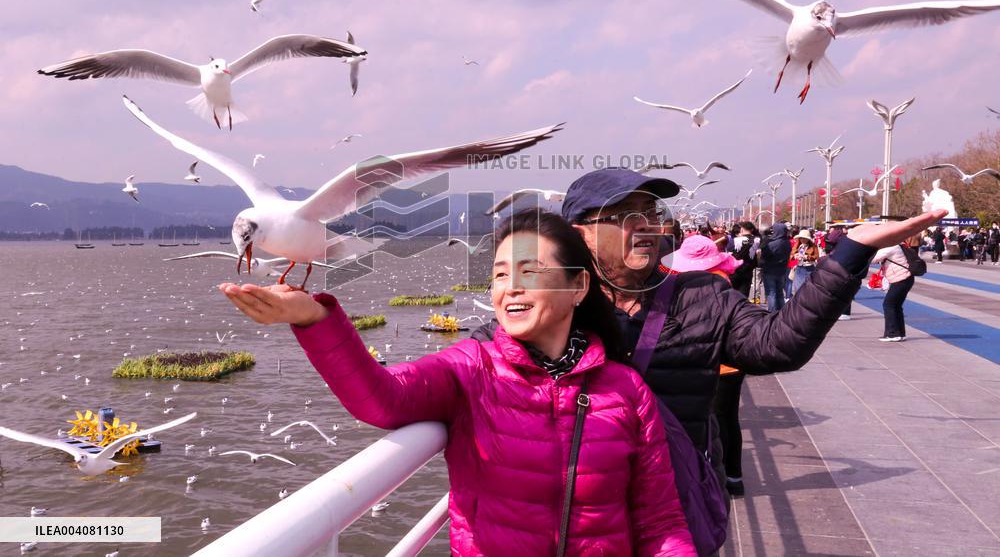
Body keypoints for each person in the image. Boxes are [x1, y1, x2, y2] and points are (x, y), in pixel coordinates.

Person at [221, 209, 697, 556]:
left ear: (578, 287)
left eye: (530, 272)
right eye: (500, 275)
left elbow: (660, 523)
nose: (510, 287)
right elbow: (381, 399)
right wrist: (314, 317)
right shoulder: (471, 369)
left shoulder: (625, 390)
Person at [471, 168, 945, 484]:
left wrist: (850, 253)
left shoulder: (700, 294)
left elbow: (778, 345)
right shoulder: (551, 304)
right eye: (628, 216)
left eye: (652, 214)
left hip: (677, 505)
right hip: (585, 512)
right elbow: (473, 364)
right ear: (580, 233)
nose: (648, 226)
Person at [666, 235, 749, 499]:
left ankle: (717, 478)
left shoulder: (700, 285)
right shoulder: (723, 279)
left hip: (713, 362)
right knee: (729, 419)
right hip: (733, 363)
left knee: (712, 422)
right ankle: (734, 478)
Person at [872, 235, 921, 342]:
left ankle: (893, 333)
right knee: (896, 305)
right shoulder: (898, 244)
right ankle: (900, 333)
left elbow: (873, 259)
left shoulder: (891, 247)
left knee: (888, 304)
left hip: (901, 279)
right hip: (906, 278)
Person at [759, 222, 792, 312]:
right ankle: (782, 312)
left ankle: (772, 313)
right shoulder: (787, 242)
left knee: (771, 293)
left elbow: (763, 256)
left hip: (770, 270)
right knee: (780, 292)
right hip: (782, 271)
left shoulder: (772, 244)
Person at [790, 230, 819, 295]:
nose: (802, 240)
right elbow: (791, 255)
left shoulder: (813, 246)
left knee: (807, 288)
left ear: (808, 239)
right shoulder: (798, 245)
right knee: (797, 288)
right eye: (801, 238)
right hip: (799, 268)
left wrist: (807, 257)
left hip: (809, 268)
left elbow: (816, 256)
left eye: (804, 238)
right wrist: (795, 256)